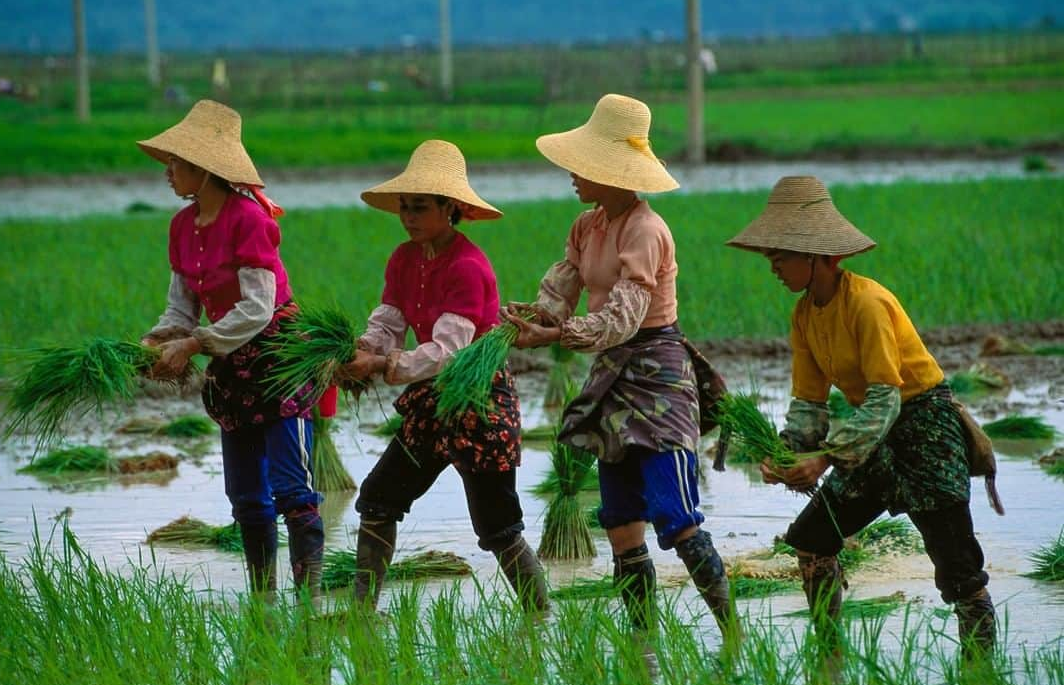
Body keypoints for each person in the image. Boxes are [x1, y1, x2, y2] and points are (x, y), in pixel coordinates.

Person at [725, 175, 996, 665]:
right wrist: (788, 452)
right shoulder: (805, 314)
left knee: (958, 567)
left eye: (780, 257)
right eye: (770, 259)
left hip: (923, 427)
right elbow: (809, 402)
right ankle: (828, 654)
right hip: (871, 433)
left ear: (816, 256)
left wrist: (826, 458)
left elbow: (884, 399)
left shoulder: (867, 304)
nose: (774, 268)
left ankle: (980, 671)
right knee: (810, 539)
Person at [502, 94, 739, 643]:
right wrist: (531, 317)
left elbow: (626, 317)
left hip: (657, 374)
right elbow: (562, 287)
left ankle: (731, 634)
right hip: (612, 376)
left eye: (580, 166)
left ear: (609, 171)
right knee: (620, 521)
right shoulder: (587, 226)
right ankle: (642, 644)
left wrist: (559, 335)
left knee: (676, 517)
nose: (571, 175)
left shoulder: (645, 230)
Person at [335, 139, 548, 613]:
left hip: (477, 404)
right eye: (404, 207)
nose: (409, 217)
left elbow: (449, 352)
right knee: (377, 500)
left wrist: (384, 365)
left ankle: (540, 617)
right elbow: (389, 320)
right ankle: (361, 609)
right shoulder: (404, 258)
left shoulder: (468, 267)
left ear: (449, 208)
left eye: (421, 207)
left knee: (498, 528)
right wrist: (365, 350)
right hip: (431, 403)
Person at [138, 99, 325, 600]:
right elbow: (181, 308)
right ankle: (263, 600)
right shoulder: (182, 226)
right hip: (231, 369)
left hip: (276, 362)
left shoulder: (248, 220)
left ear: (202, 168)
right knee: (245, 496)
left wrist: (195, 343)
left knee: (291, 489)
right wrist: (157, 341)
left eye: (176, 161)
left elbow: (257, 309)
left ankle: (308, 604)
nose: (167, 171)